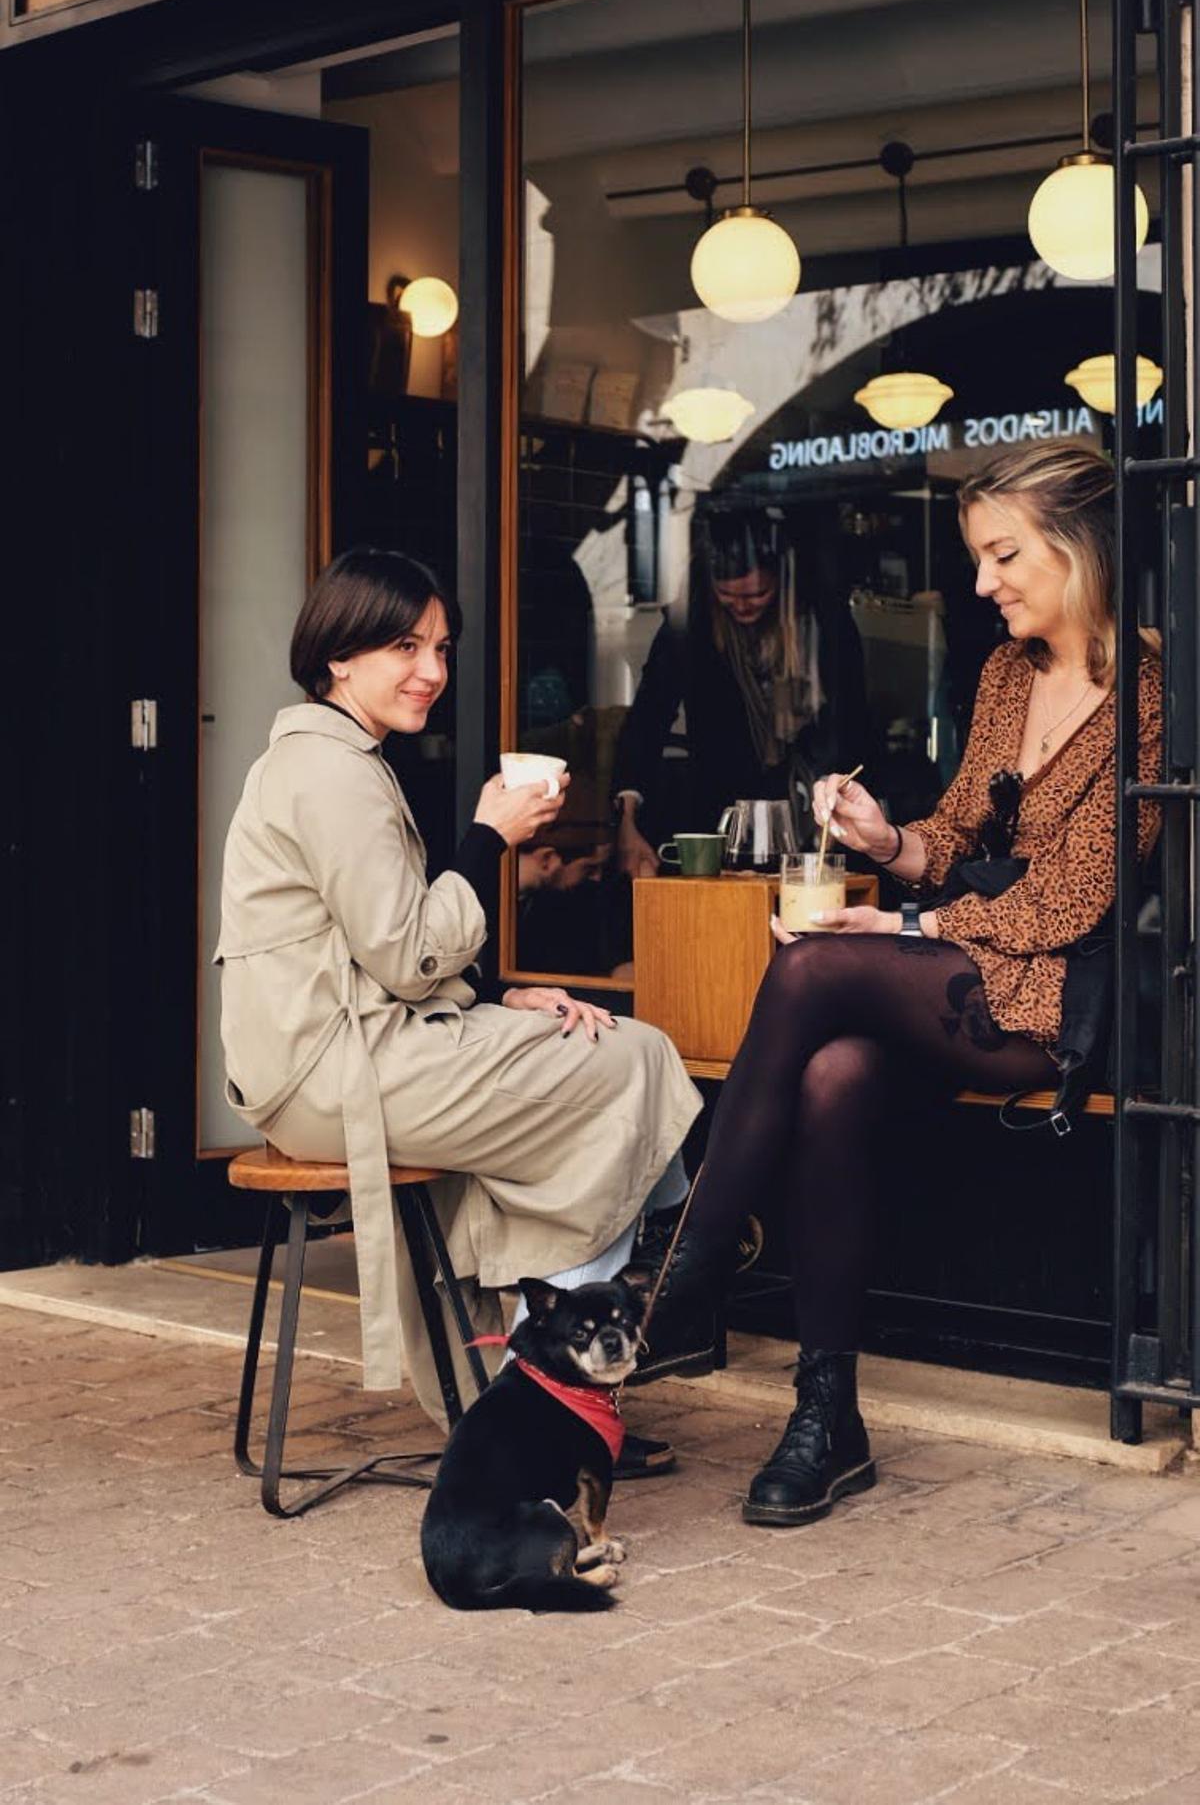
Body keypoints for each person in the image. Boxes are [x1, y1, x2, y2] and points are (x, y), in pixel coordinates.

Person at [640, 441, 1161, 1525]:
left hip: (1071, 1001)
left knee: (819, 958)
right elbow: (956, 833)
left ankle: (685, 1275)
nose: (982, 584)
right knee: (831, 1071)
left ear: (1081, 547)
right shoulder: (1007, 674)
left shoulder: (1155, 693)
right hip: (973, 970)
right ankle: (827, 1416)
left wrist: (911, 919)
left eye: (1002, 555)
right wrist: (888, 839)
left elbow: (1076, 905)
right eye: (978, 559)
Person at [215, 548, 702, 1445]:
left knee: (595, 1054)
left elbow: (374, 946)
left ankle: (531, 1387)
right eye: (406, 647)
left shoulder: (331, 758)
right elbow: (405, 955)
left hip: (336, 1056)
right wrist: (489, 837)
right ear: (339, 656)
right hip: (339, 1071)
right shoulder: (331, 771)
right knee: (628, 1056)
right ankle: (590, 1349)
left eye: (441, 647)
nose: (433, 671)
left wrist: (505, 993)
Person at [612, 507, 870, 875]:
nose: (742, 606)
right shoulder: (695, 623)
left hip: (811, 802)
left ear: (780, 583)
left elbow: (850, 718)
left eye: (757, 594)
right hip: (720, 800)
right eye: (727, 596)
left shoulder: (818, 624)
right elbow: (649, 714)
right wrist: (628, 817)